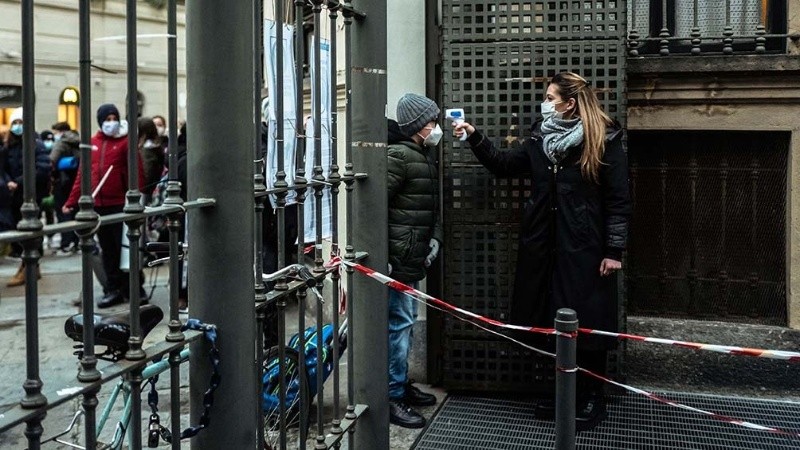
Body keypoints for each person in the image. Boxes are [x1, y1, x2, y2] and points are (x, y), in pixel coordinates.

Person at [454, 72, 631, 431]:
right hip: (543, 246)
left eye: (551, 98)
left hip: (584, 248)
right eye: (546, 97)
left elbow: (619, 200)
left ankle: (592, 399)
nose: (545, 103)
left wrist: (614, 250)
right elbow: (504, 165)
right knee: (550, 322)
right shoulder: (539, 138)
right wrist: (475, 137)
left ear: (570, 103)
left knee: (589, 327)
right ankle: (566, 394)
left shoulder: (604, 140)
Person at [386, 93, 443, 429]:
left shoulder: (420, 155)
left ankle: (399, 385)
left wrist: (434, 236)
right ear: (417, 126)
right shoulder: (400, 156)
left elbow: (427, 205)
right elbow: (374, 208)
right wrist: (384, 256)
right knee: (399, 324)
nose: (435, 127)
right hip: (399, 259)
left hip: (412, 255)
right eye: (431, 121)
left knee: (403, 324)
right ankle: (392, 395)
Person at [63, 103, 146, 308]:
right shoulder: (92, 143)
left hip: (120, 204)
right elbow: (83, 175)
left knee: (126, 248)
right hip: (99, 205)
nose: (111, 123)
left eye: (114, 118)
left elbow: (136, 171)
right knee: (108, 250)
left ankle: (134, 288)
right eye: (107, 119)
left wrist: (141, 197)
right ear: (100, 122)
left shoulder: (126, 142)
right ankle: (113, 289)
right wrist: (71, 201)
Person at [2, 107, 51, 286]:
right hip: (13, 196)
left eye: (20, 122)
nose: (17, 126)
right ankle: (28, 265)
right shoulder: (10, 145)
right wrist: (8, 182)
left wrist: (19, 182)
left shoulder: (36, 144)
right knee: (16, 231)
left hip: (31, 195)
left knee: (30, 231)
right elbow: (4, 167)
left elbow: (42, 168)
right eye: (14, 123)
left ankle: (29, 266)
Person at [49, 125, 81, 253]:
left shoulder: (61, 143)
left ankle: (66, 243)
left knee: (63, 212)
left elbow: (52, 160)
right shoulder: (79, 141)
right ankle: (77, 242)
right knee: (77, 212)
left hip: (62, 183)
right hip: (77, 182)